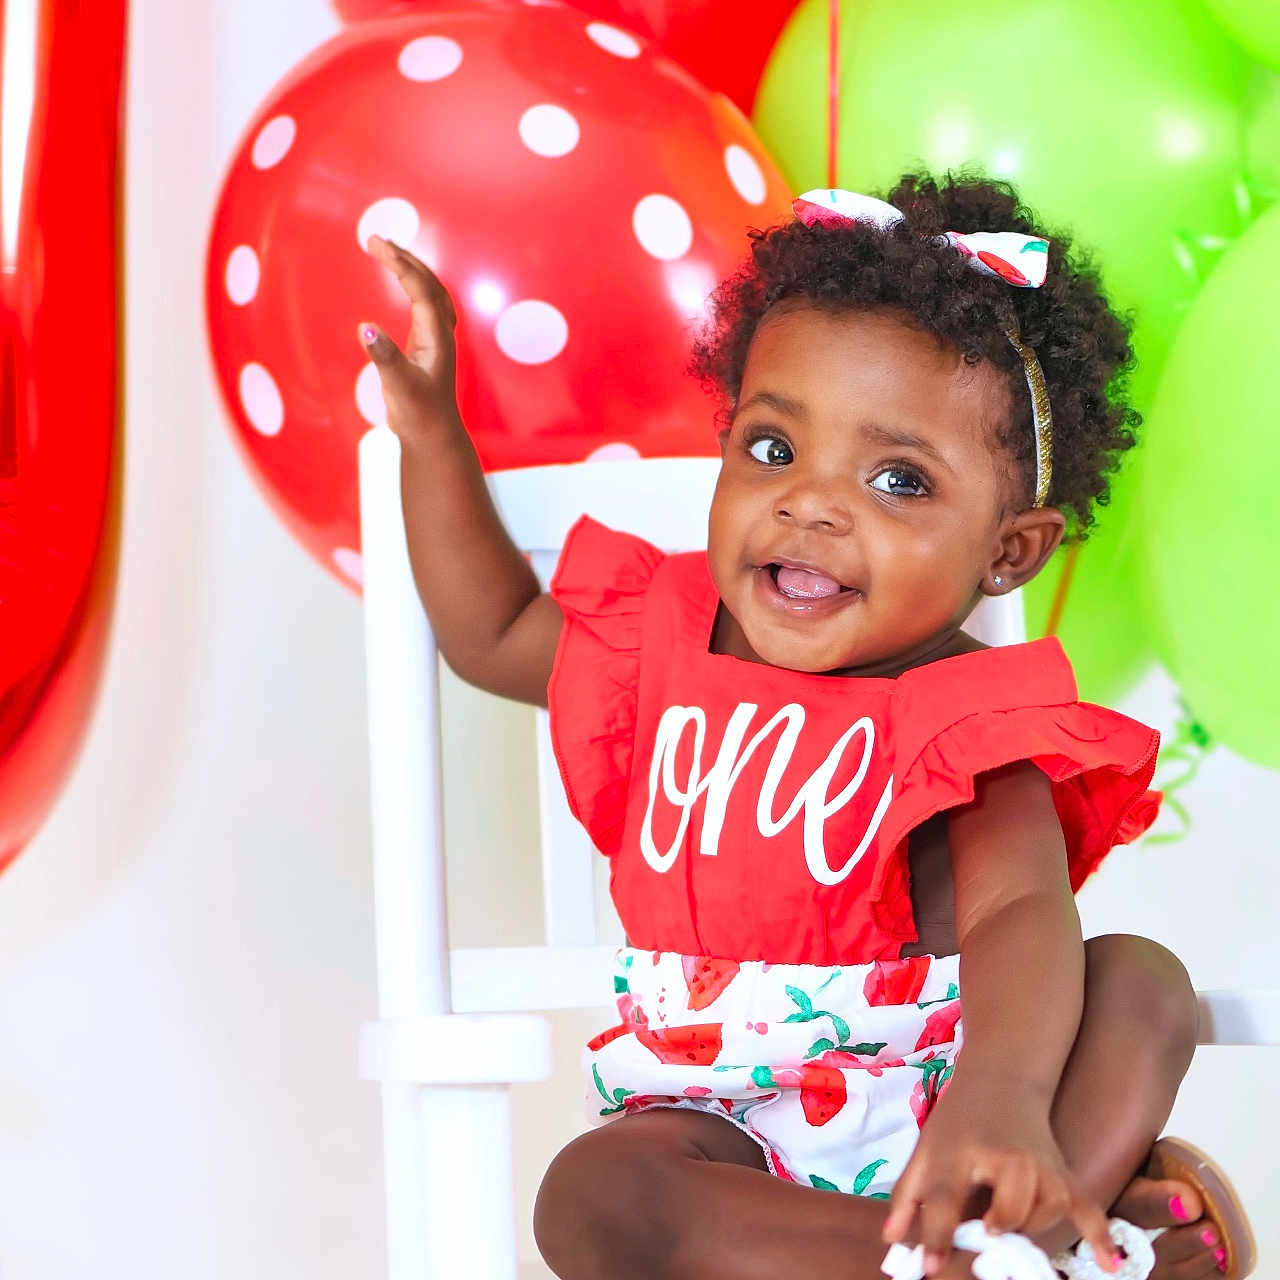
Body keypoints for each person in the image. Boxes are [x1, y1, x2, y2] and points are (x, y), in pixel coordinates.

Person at [356, 171, 1255, 1280]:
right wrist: (431, 436)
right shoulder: (662, 637)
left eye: (895, 480)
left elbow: (1022, 911)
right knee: (592, 1190)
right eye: (772, 450)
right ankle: (1018, 1257)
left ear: (1005, 551)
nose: (811, 502)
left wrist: (1000, 1102)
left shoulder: (969, 714)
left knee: (1135, 980)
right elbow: (490, 627)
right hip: (713, 1117)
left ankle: (1024, 1204)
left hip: (957, 1101)